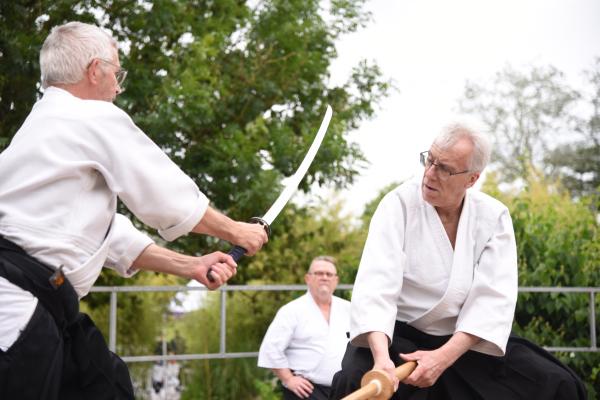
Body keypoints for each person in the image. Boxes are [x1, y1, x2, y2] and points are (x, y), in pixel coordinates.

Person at [0, 21, 268, 400]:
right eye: (116, 72)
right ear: (95, 70)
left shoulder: (41, 129)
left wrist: (190, 265)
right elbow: (166, 198)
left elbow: (107, 236)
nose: (118, 86)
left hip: (41, 300)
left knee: (106, 383)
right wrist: (237, 232)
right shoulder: (90, 116)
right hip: (15, 307)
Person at [329, 123, 587, 399]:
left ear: (472, 179)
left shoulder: (493, 217)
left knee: (556, 383)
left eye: (444, 169)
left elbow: (492, 300)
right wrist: (381, 360)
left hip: (464, 344)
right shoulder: (399, 205)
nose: (430, 174)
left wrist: (442, 358)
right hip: (394, 341)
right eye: (430, 161)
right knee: (353, 383)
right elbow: (376, 287)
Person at [258, 256, 351, 399]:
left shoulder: (348, 309)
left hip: (342, 390)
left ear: (336, 280)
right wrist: (288, 379)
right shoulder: (291, 310)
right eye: (319, 273)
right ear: (308, 278)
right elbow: (271, 349)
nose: (324, 277)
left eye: (329, 274)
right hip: (305, 390)